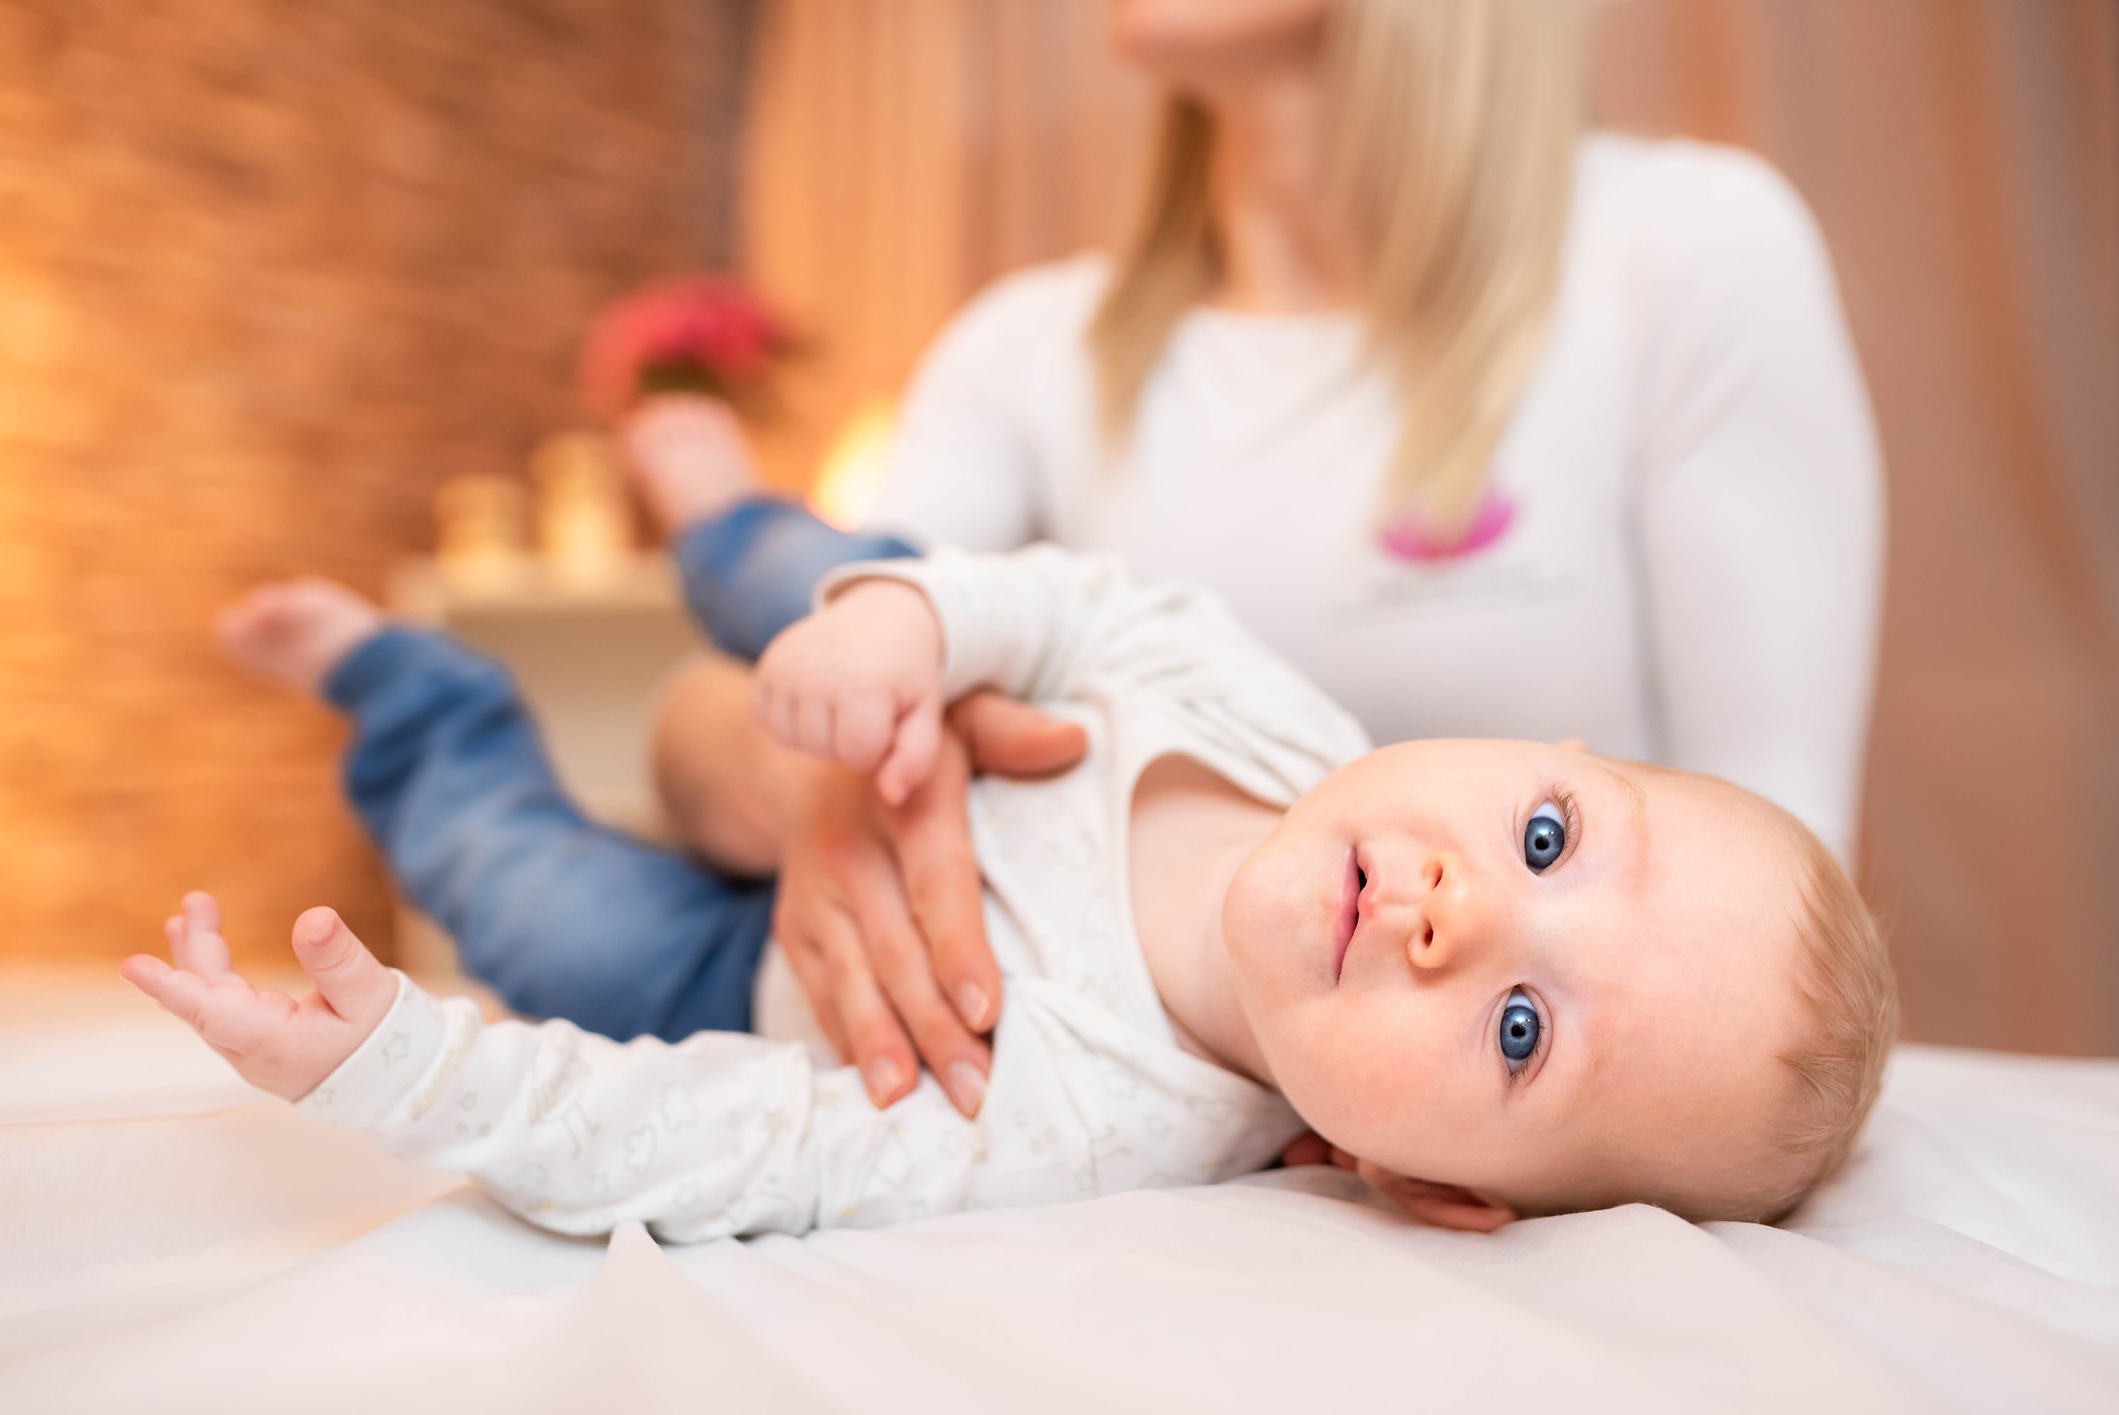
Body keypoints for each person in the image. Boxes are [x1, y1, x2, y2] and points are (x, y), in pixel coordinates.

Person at [626, 0, 1886, 1116]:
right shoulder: (1023, 351)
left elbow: (1789, 864)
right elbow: (698, 714)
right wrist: (820, 784)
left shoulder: (1689, 254)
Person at [126, 544, 1897, 1238]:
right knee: (821, 564)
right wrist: (909, 626)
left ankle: (411, 693)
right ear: (1545, 752)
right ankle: (721, 508)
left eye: (1520, 1028)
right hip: (842, 719)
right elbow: (1089, 609)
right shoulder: (1270, 721)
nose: (1464, 917)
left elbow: (740, 1145)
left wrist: (402, 1071)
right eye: (1544, 841)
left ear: (1423, 1183)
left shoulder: (1084, 1122)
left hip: (722, 978)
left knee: (516, 893)